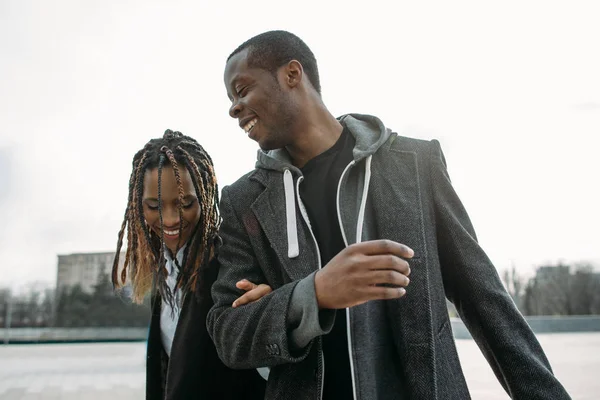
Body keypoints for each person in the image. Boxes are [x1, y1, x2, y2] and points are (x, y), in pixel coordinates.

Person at [206, 30, 571, 400]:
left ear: (292, 74)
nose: (234, 107)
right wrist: (312, 294)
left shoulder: (415, 164)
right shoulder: (242, 201)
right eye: (231, 99)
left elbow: (485, 301)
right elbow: (227, 332)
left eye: (242, 89)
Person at [112, 130, 268, 399]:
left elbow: (268, 371)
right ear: (138, 206)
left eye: (184, 203)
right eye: (154, 206)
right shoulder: (164, 270)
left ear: (205, 198)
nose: (170, 219)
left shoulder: (231, 264)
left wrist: (271, 319)